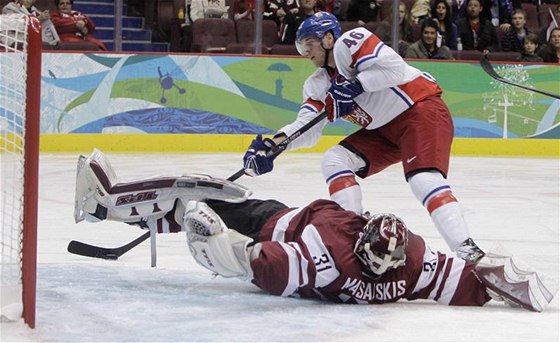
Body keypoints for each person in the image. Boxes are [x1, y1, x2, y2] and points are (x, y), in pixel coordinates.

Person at [72, 149, 555, 312]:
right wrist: (506, 285)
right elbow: (468, 282)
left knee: (193, 195)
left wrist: (215, 240)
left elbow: (258, 265)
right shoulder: (414, 265)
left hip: (274, 224)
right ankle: (113, 211)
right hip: (285, 227)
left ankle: (106, 204)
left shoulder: (325, 258)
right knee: (196, 203)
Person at [242, 12, 486, 263]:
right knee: (334, 160)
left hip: (419, 109)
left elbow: (394, 68)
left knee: (423, 179)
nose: (305, 52)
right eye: (301, 46)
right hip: (382, 132)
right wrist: (275, 145)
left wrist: (356, 84)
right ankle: (352, 232)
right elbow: (307, 127)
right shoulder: (316, 85)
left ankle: (467, 250)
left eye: (309, 44)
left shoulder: (351, 43)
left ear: (328, 38)